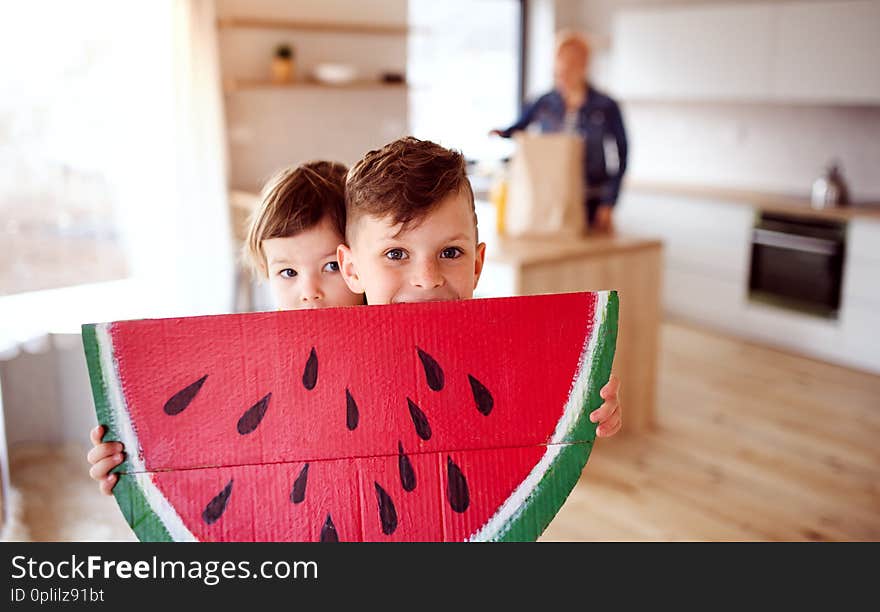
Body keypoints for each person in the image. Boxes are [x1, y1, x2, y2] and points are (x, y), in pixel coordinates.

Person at [87, 161, 365, 494]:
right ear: (265, 272)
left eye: (331, 266)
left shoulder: (390, 347)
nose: (309, 291)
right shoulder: (249, 368)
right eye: (288, 273)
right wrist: (133, 461)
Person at [337, 136, 622, 434]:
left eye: (450, 253)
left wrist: (587, 409)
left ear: (476, 264)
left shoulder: (512, 358)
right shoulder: (338, 368)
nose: (428, 278)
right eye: (396, 254)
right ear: (352, 269)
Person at [490, 30, 628, 233]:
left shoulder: (606, 106)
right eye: (561, 61)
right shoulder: (544, 103)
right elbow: (518, 129)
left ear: (584, 64)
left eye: (573, 62)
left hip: (592, 199)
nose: (566, 68)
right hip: (552, 199)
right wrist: (502, 133)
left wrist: (609, 202)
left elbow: (622, 154)